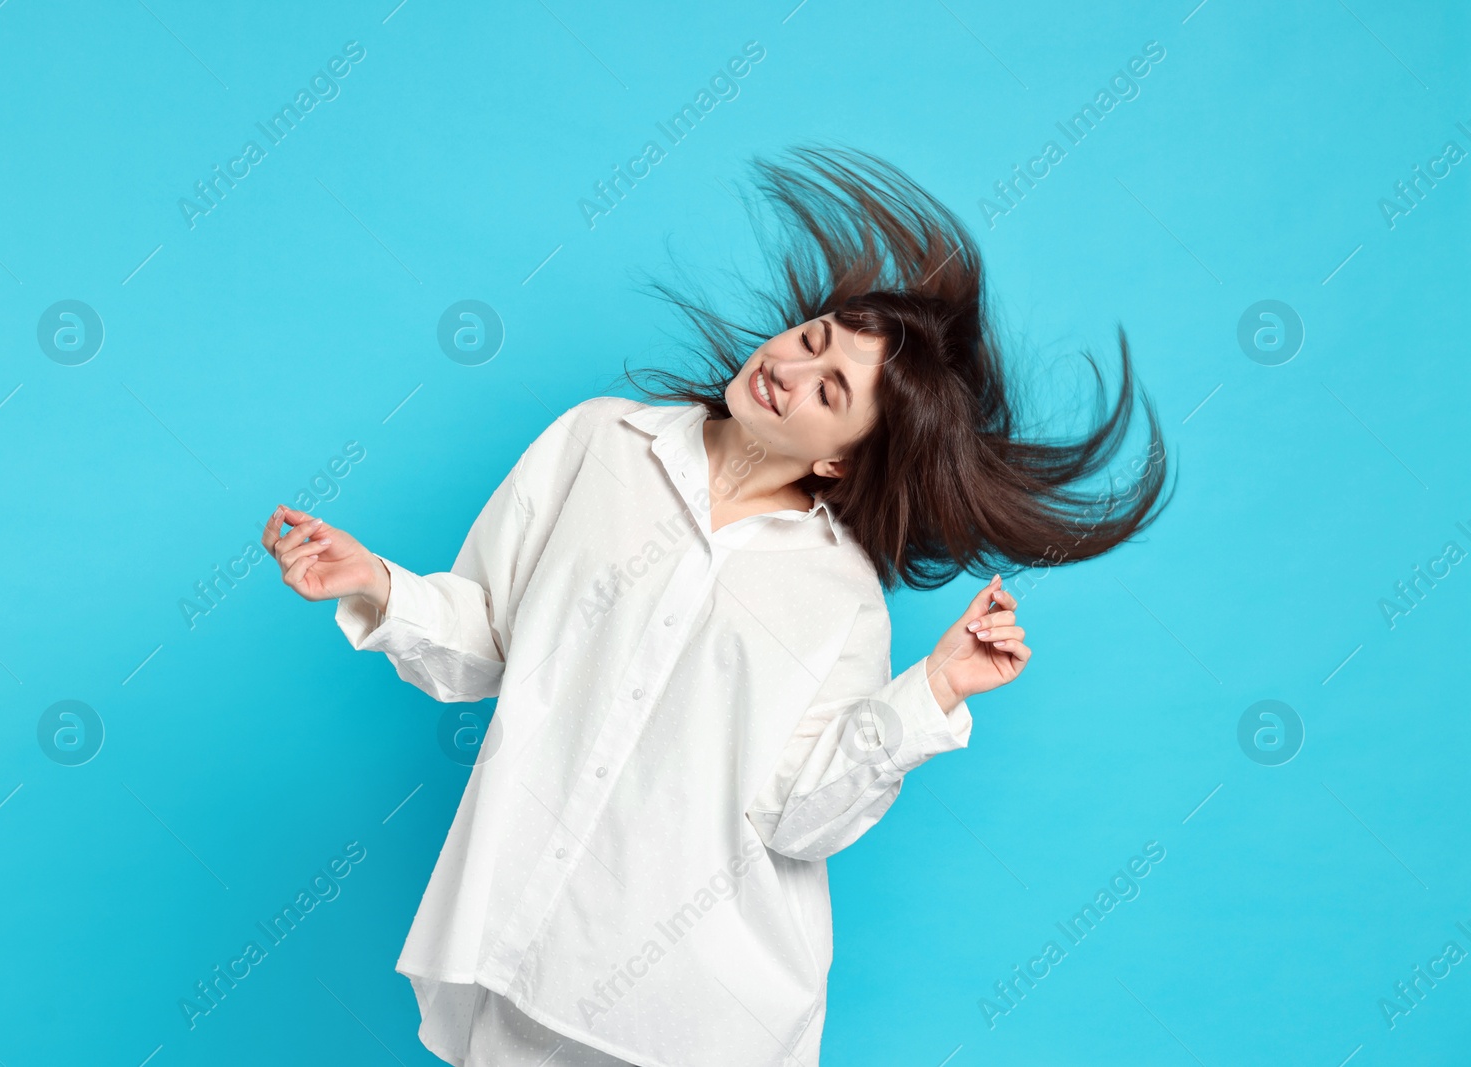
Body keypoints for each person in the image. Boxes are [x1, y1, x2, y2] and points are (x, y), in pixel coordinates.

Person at [261, 145, 1171, 1066]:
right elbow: (490, 639)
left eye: (832, 391)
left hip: (703, 1011)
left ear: (841, 459)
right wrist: (377, 582)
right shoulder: (599, 444)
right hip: (526, 950)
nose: (791, 368)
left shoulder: (840, 595)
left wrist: (933, 690)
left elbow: (801, 818)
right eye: (811, 340)